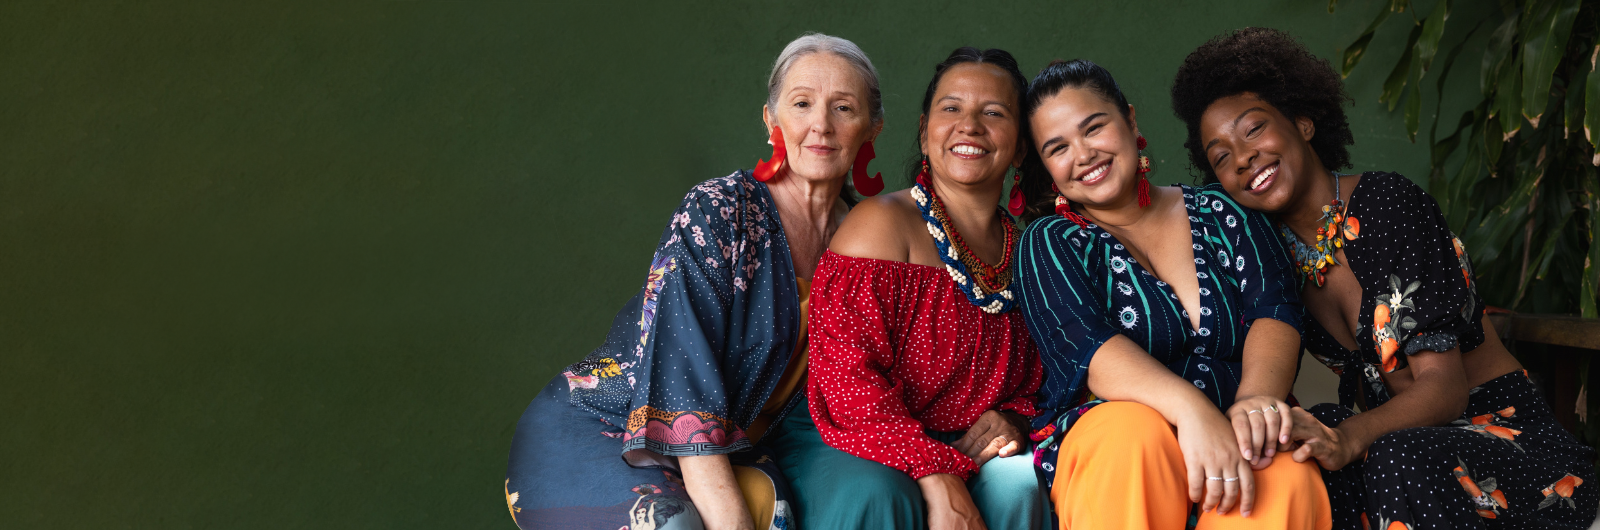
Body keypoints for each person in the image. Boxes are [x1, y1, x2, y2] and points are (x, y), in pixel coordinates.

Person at [1171, 27, 1597, 529]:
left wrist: (1351, 437)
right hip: (1399, 445)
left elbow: (1446, 389)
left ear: (1303, 123)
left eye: (1254, 129)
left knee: (1389, 452)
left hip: (1501, 437)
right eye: (1221, 157)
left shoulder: (1387, 205)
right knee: (1303, 447)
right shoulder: (1272, 262)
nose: (1242, 156)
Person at [504, 32, 886, 530]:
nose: (820, 125)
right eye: (802, 103)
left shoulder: (866, 240)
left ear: (871, 129)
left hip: (735, 445)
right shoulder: (718, 211)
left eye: (843, 108)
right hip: (606, 424)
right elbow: (682, 389)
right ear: (772, 120)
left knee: (781, 518)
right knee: (672, 525)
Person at [1012, 59, 1331, 530]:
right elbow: (1090, 349)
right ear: (1046, 166)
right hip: (1120, 440)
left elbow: (1275, 308)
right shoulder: (1049, 243)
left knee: (1285, 472)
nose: (1084, 154)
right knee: (1132, 434)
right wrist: (1193, 412)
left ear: (1130, 119)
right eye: (1058, 148)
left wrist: (1254, 402)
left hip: (1237, 418)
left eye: (1094, 127)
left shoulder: (1222, 210)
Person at [776, 47, 1045, 530]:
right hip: (855, 431)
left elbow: (1049, 378)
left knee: (1019, 483)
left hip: (965, 441)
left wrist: (1015, 420)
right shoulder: (879, 225)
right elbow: (846, 380)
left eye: (994, 113)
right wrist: (933, 468)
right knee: (881, 495)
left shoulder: (1028, 251)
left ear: (1021, 146)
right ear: (925, 133)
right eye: (952, 109)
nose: (970, 125)